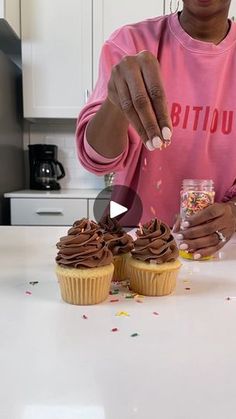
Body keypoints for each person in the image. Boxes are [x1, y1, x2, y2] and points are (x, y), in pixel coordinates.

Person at [76, 0, 236, 260]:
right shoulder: (129, 43)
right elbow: (96, 159)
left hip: (217, 253)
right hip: (130, 243)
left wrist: (233, 213)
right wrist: (116, 101)